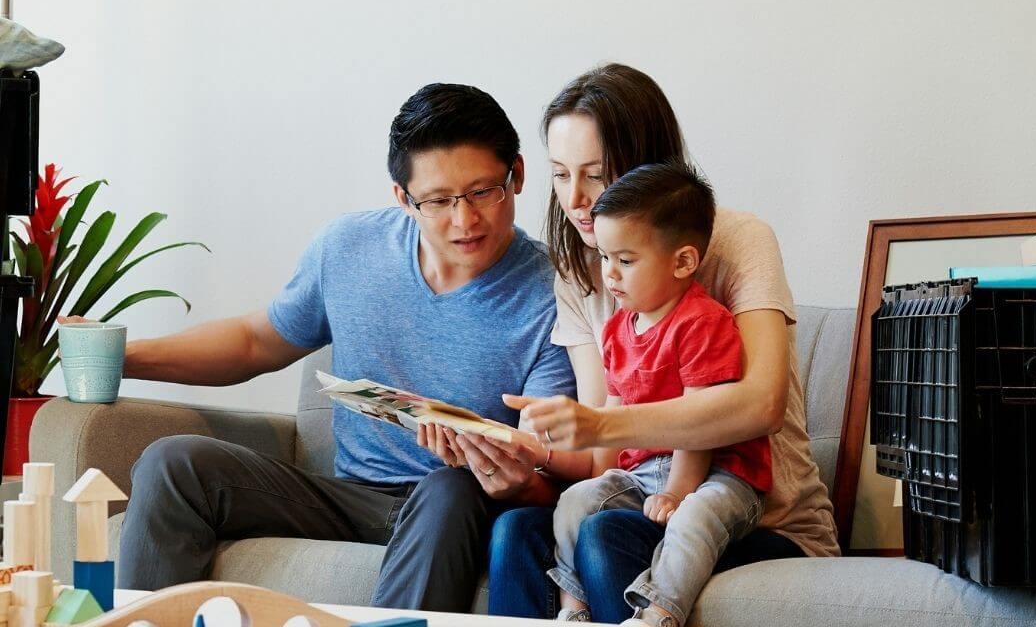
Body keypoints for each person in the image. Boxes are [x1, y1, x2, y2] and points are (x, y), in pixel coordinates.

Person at [103, 82, 577, 612]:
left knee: (450, 487)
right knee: (174, 462)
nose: (465, 220)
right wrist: (119, 358)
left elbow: (549, 464)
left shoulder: (556, 292)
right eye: (438, 201)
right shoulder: (350, 248)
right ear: (402, 197)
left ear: (517, 174)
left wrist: (517, 484)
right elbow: (255, 341)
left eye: (484, 191)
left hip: (459, 504)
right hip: (348, 497)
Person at [486, 64, 839, 624]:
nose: (575, 200)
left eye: (595, 175)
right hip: (645, 497)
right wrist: (532, 456)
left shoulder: (737, 242)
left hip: (760, 519)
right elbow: (607, 454)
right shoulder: (583, 273)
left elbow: (760, 404)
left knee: (603, 535)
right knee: (515, 532)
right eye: (559, 174)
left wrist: (602, 423)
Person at [549, 162, 772, 627]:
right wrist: (598, 476)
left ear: (683, 262)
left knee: (693, 517)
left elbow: (697, 426)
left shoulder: (702, 322)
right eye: (605, 258)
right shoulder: (616, 329)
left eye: (625, 260)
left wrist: (676, 492)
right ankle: (575, 610)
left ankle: (660, 613)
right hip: (645, 472)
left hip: (720, 475)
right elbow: (612, 411)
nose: (610, 274)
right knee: (576, 501)